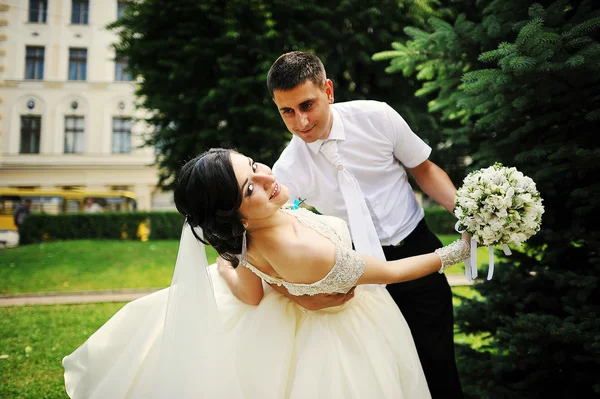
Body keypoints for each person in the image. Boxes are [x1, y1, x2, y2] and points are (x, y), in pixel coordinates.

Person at [62, 148, 470, 399]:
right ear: (234, 213)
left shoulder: (248, 238)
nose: (267, 178)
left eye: (254, 165)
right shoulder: (297, 249)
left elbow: (252, 295)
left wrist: (247, 271)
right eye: (249, 189)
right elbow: (392, 272)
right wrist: (461, 248)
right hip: (347, 333)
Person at [267, 51, 464, 398]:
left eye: (307, 105)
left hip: (418, 249)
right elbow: (267, 239)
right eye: (288, 111)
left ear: (328, 90)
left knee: (439, 370)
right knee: (384, 377)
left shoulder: (378, 117)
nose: (300, 122)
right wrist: (298, 297)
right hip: (360, 277)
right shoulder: (286, 170)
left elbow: (424, 169)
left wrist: (465, 213)